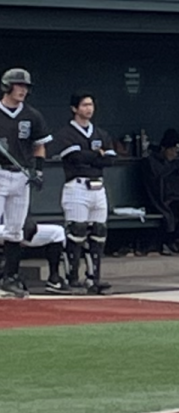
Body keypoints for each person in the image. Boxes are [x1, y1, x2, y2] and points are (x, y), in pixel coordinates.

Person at [50, 91, 117, 294]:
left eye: (91, 105)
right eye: (84, 105)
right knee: (76, 232)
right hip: (76, 187)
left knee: (98, 233)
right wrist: (97, 155)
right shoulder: (66, 133)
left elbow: (110, 159)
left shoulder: (101, 133)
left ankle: (93, 278)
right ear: (74, 108)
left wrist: (92, 156)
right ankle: (73, 278)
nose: (89, 109)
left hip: (98, 187)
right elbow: (74, 158)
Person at [0, 68, 51, 299]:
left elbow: (39, 146)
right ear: (7, 86)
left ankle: (9, 277)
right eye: (18, 85)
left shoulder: (32, 115)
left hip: (21, 174)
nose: (23, 90)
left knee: (14, 228)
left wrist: (38, 172)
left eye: (25, 87)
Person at [147, 129, 179, 255]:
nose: (174, 153)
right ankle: (173, 241)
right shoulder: (151, 162)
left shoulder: (173, 164)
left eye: (177, 151)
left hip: (175, 199)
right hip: (160, 201)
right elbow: (156, 183)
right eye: (172, 150)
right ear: (164, 148)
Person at [0, 219, 67, 296]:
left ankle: (54, 280)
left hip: (17, 225)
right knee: (13, 232)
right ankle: (9, 278)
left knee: (58, 232)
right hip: (5, 227)